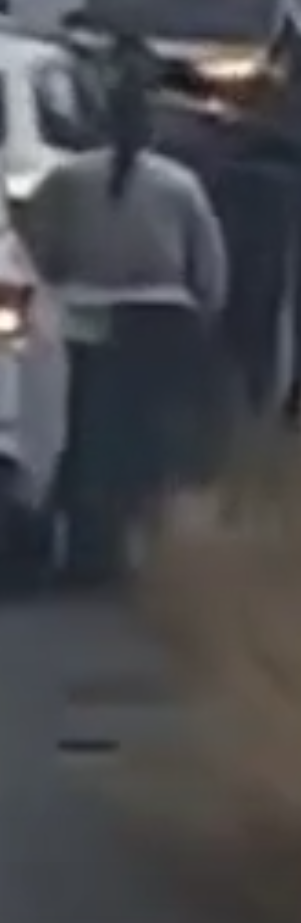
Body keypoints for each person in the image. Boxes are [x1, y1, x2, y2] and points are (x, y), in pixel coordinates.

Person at [22, 63, 230, 586]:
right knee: (153, 440)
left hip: (80, 323)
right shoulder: (180, 185)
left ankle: (82, 547)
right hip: (160, 322)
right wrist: (204, 320)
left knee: (82, 433)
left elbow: (35, 252)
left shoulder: (67, 179)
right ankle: (145, 546)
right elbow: (210, 270)